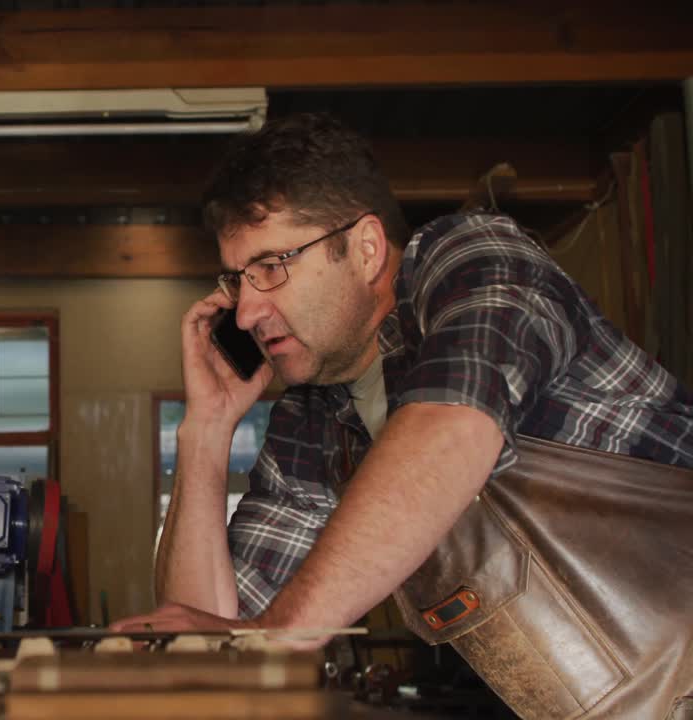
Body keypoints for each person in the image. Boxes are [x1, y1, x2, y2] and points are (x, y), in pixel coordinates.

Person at [112, 113, 693, 719]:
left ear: (364, 249)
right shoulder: (316, 422)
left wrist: (276, 635)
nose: (249, 310)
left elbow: (453, 426)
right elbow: (208, 648)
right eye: (236, 280)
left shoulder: (471, 257)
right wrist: (206, 429)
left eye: (270, 267)